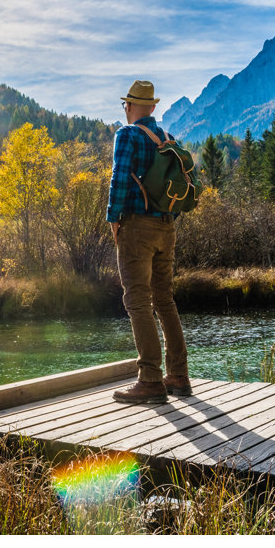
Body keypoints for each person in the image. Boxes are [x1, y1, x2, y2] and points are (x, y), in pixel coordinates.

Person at [106, 79, 191, 403]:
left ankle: (151, 380)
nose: (125, 109)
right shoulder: (168, 138)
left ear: (130, 107)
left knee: (138, 301)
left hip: (136, 228)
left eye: (126, 105)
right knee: (164, 300)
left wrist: (114, 220)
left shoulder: (127, 135)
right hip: (166, 226)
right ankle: (179, 376)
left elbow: (119, 177)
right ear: (153, 107)